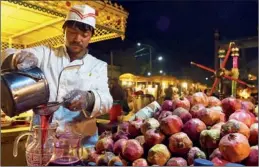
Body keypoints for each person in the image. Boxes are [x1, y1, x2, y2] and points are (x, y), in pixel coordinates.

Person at [2, 5, 113, 148]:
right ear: (64, 31)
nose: (77, 39)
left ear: (91, 36)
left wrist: (89, 98)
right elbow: (8, 53)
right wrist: (17, 57)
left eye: (84, 35)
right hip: (43, 140)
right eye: (72, 32)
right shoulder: (46, 53)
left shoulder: (98, 65)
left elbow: (107, 100)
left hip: (81, 144)